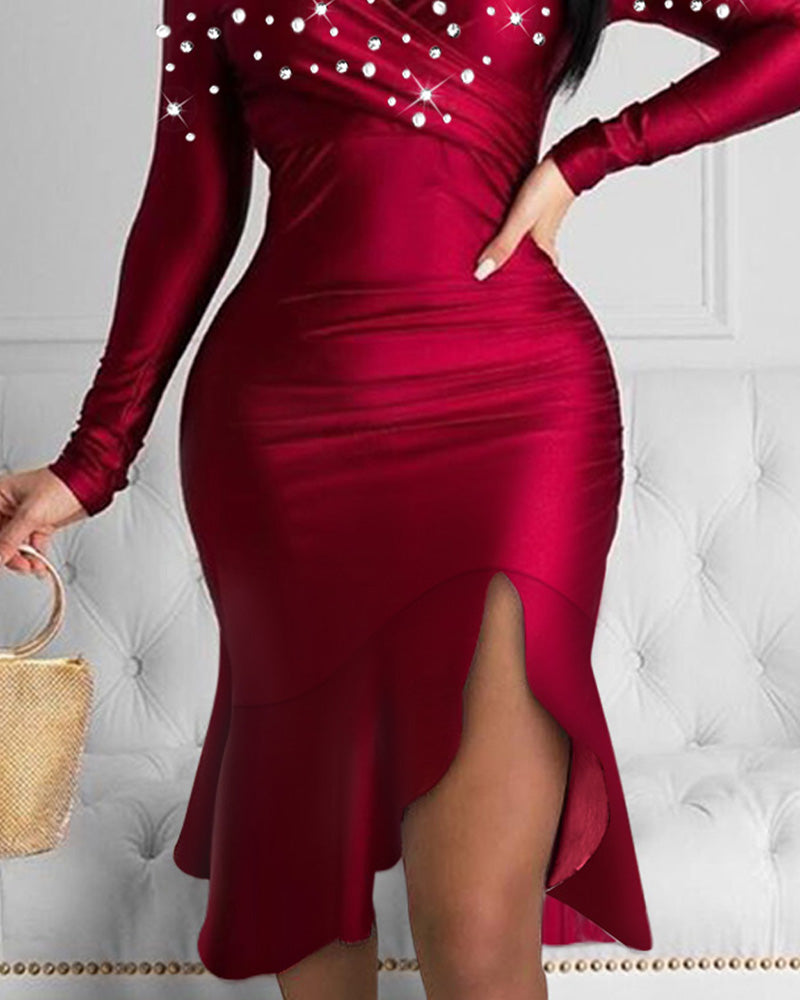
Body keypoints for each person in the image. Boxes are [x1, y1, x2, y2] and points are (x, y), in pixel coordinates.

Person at [1, 0, 798, 996]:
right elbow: (189, 203)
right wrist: (93, 459)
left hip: (515, 419)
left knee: (475, 931)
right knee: (308, 903)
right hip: (285, 435)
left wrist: (585, 159)